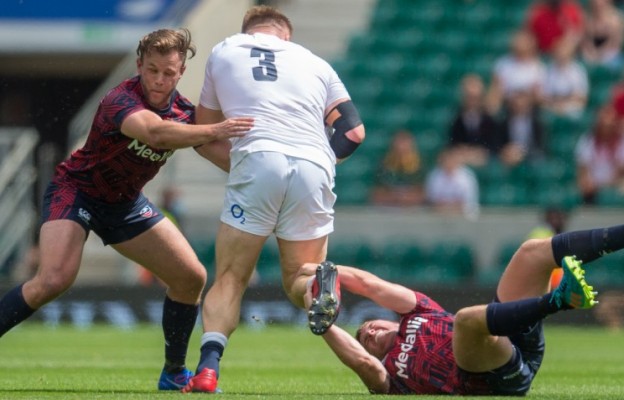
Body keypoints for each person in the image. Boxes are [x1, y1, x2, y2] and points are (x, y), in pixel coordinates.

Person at [0, 28, 254, 391]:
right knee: (53, 279)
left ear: (181, 72)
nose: (159, 79)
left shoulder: (185, 113)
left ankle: (173, 372)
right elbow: (155, 134)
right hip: (77, 192)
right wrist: (218, 127)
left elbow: (225, 159)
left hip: (124, 204)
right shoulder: (121, 100)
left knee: (190, 278)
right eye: (152, 70)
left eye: (168, 73)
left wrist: (269, 172)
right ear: (139, 65)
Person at [305, 180, 624, 395]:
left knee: (531, 253)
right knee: (466, 320)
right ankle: (559, 301)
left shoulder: (418, 313)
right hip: (498, 379)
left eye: (370, 326)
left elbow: (370, 285)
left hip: (511, 341)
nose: (369, 331)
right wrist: (325, 324)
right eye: (365, 335)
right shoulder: (390, 376)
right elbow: (363, 364)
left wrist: (328, 269)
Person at [180, 5, 365, 393]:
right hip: (316, 162)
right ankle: (320, 284)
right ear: (286, 35)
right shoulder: (315, 62)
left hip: (257, 156)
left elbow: (204, 132)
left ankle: (208, 369)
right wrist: (319, 162)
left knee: (231, 277)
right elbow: (353, 133)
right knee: (300, 278)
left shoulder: (226, 48)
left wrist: (251, 169)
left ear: (249, 30)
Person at [446, 73, 498, 167]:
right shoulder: (455, 119)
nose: (473, 101)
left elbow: (494, 146)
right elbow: (452, 143)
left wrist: (478, 152)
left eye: (476, 98)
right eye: (469, 97)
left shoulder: (490, 120)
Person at [371, 129, 425, 207]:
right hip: (387, 210)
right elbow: (376, 194)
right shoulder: (384, 164)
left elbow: (423, 195)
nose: (401, 147)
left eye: (405, 143)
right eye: (399, 143)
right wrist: (394, 197)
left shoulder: (419, 165)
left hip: (412, 211)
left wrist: (405, 198)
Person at [424, 147, 480, 218]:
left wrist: (451, 208)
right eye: (447, 160)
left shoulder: (467, 176)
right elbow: (432, 200)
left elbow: (468, 202)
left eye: (452, 160)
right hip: (440, 215)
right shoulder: (434, 175)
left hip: (463, 215)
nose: (449, 163)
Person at [580, 0, 624, 70]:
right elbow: (586, 41)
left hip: (611, 52)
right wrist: (592, 52)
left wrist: (601, 54)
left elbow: (616, 43)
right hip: (592, 53)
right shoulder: (588, 18)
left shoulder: (617, 18)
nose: (598, 5)